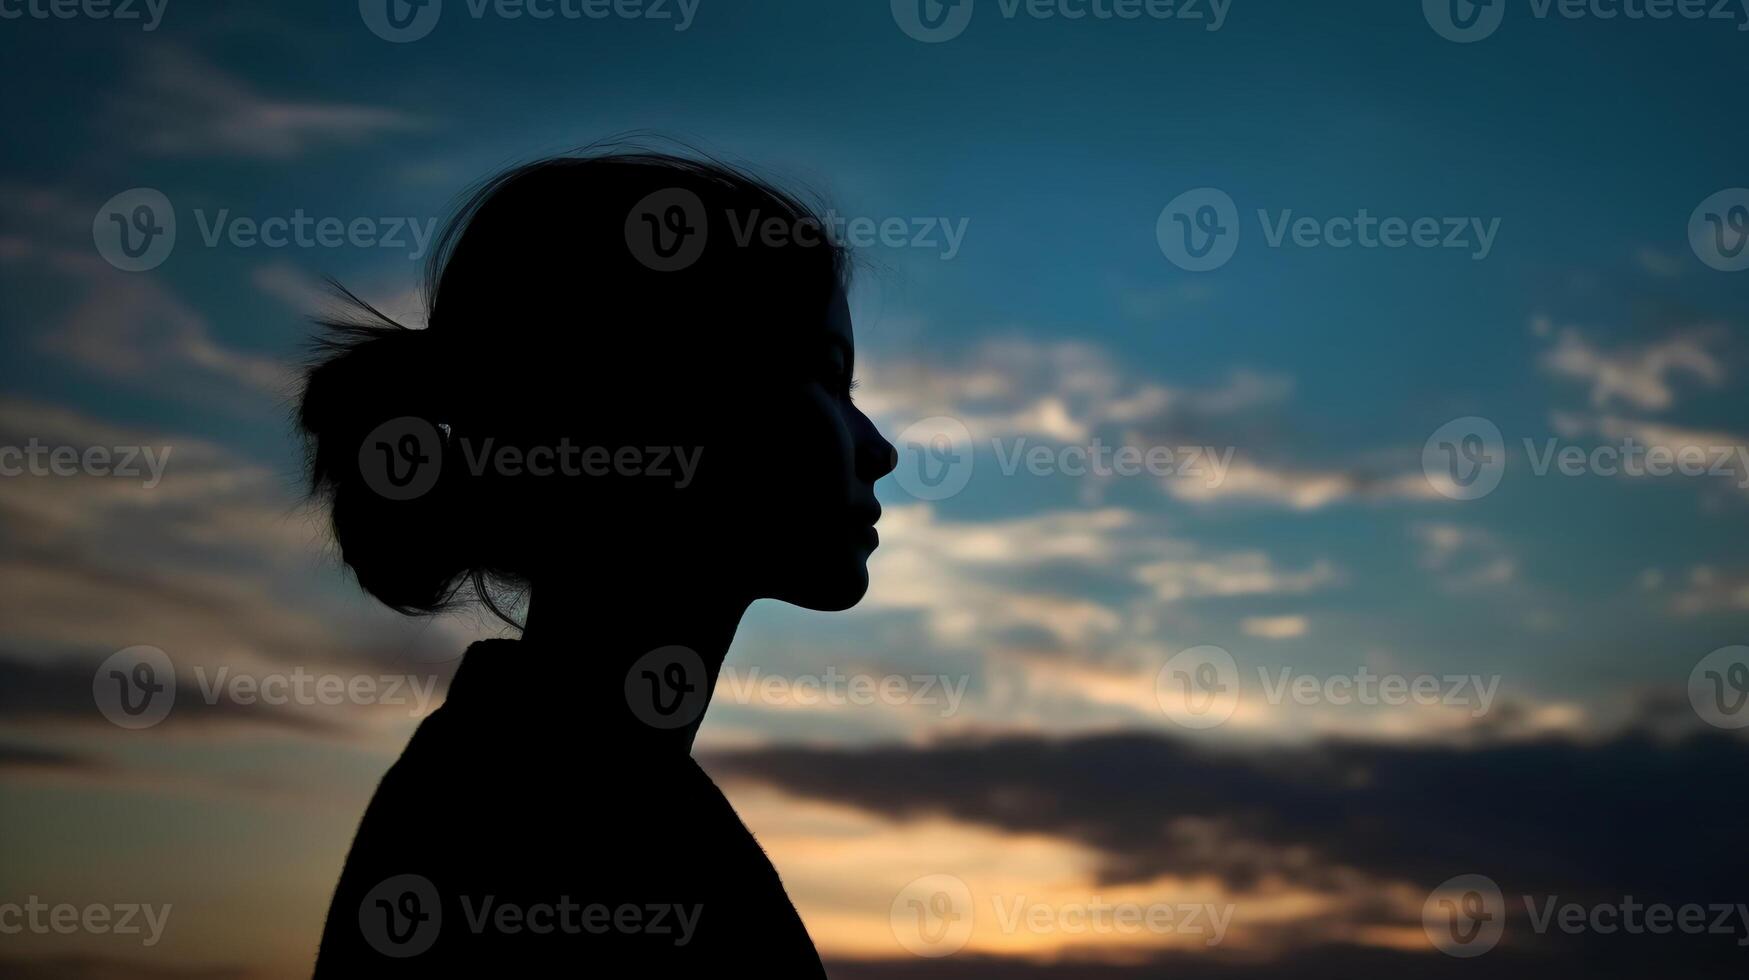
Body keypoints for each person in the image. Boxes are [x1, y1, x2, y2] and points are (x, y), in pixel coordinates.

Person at [300, 147, 896, 975]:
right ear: (658, 397)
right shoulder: (547, 820)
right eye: (828, 379)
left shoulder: (566, 785)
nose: (880, 449)